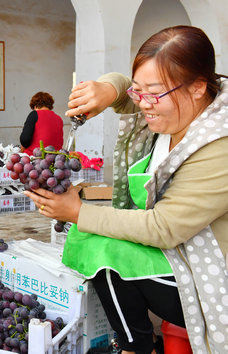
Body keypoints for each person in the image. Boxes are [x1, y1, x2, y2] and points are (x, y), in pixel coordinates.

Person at [25, 25, 228, 353]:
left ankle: (137, 346)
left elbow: (164, 227)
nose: (144, 104)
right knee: (93, 240)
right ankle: (135, 344)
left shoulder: (218, 144)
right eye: (139, 91)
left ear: (198, 87)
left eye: (154, 93)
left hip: (213, 275)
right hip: (181, 251)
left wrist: (78, 212)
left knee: (103, 249)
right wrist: (108, 90)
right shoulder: (179, 109)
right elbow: (126, 89)